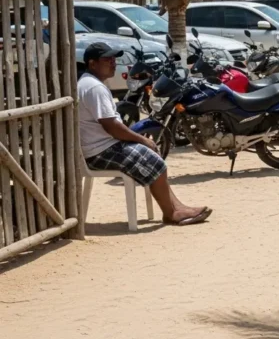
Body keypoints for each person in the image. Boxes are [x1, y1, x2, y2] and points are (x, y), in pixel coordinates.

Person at [79, 42, 212, 225]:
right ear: (92, 64)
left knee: (154, 157)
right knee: (153, 159)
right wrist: (142, 139)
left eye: (113, 59)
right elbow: (111, 126)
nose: (113, 63)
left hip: (99, 147)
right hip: (100, 151)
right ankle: (172, 213)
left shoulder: (89, 83)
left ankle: (176, 208)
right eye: (107, 60)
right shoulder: (94, 88)